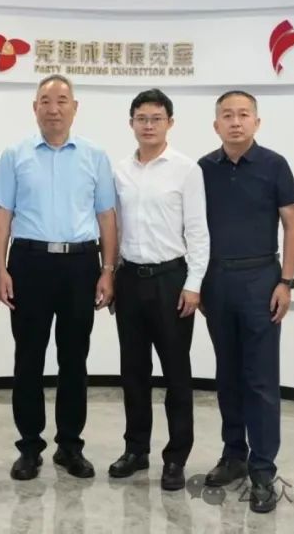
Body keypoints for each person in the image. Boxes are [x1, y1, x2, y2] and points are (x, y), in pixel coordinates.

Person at [0, 74, 119, 481]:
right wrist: (0, 268)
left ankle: (70, 445)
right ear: (35, 108)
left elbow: (106, 216)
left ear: (74, 108)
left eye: (62, 100)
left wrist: (108, 270)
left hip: (80, 265)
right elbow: (2, 215)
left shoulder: (95, 156)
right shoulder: (15, 155)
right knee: (28, 357)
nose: (54, 108)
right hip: (29, 263)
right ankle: (29, 447)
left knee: (74, 358)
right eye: (46, 101)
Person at [197, 90, 294, 514]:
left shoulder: (274, 165)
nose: (235, 122)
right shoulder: (203, 169)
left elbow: (291, 225)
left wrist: (286, 281)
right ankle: (233, 454)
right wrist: (198, 283)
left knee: (260, 379)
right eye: (227, 115)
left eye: (243, 115)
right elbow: (192, 228)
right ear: (216, 124)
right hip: (217, 279)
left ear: (256, 122)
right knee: (227, 374)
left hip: (261, 279)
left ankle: (262, 470)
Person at [109, 88, 209, 491]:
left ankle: (176, 457)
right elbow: (114, 228)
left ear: (170, 122)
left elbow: (198, 232)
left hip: (172, 281)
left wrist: (194, 285)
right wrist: (111, 275)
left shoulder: (187, 170)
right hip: (130, 279)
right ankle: (136, 450)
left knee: (176, 373)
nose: (148, 125)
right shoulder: (120, 171)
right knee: (133, 371)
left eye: (156, 118)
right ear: (131, 123)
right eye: (141, 118)